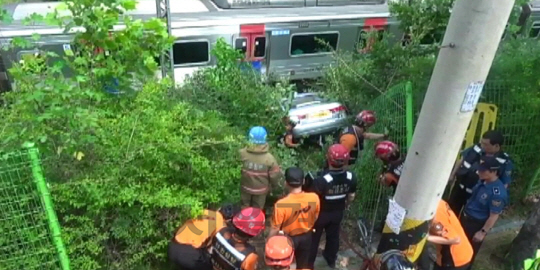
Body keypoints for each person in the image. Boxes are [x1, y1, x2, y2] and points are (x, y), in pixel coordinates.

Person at [308, 144, 358, 269]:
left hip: (321, 214)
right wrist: (345, 205)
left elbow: (311, 199)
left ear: (328, 159)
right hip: (337, 212)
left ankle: (309, 263)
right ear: (346, 161)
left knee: (314, 239)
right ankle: (330, 260)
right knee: (333, 236)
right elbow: (351, 196)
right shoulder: (351, 177)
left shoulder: (321, 179)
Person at [447, 130, 513, 216]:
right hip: (460, 187)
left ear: (496, 146)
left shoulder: (504, 162)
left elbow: (504, 184)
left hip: (477, 196)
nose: (482, 146)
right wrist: (452, 175)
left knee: (467, 218)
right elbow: (463, 160)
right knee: (450, 212)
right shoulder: (477, 148)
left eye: (485, 144)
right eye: (481, 142)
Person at [459, 156, 508, 270]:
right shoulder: (483, 181)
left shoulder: (497, 193)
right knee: (458, 246)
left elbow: (494, 215)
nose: (478, 172)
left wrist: (482, 232)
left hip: (475, 224)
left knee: (468, 251)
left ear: (493, 171)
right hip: (466, 217)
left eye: (482, 170)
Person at [269, 167, 320, 269]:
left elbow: (275, 228)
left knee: (285, 263)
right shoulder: (314, 198)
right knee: (303, 264)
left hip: (288, 238)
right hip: (307, 236)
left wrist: (269, 241)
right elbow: (315, 216)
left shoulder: (281, 204)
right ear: (304, 181)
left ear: (286, 183)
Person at [168, 203, 241, 270]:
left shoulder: (204, 211)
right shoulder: (221, 225)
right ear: (229, 220)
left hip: (173, 247)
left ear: (219, 209)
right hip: (189, 255)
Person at [240, 126, 284, 209]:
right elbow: (274, 176)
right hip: (261, 190)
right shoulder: (269, 159)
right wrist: (273, 187)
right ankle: (256, 221)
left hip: (245, 187)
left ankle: (244, 220)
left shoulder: (241, 154)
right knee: (257, 209)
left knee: (244, 207)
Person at [428, 199, 473, 270]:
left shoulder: (435, 215)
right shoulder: (439, 202)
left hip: (455, 258)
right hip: (465, 252)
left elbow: (455, 239)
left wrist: (426, 237)